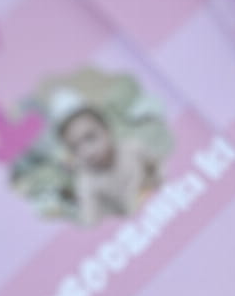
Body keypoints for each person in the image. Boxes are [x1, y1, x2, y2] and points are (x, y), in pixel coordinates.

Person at [53, 94, 161, 224]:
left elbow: (159, 166)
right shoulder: (86, 182)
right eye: (75, 148)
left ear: (107, 129)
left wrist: (156, 177)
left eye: (90, 137)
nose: (87, 152)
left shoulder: (132, 148)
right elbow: (92, 222)